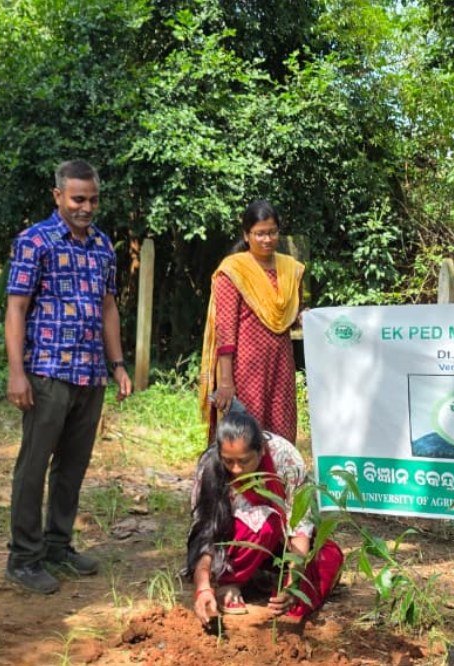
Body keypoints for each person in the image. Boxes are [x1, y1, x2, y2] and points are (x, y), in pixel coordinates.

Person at [4, 159, 133, 595]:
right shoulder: (34, 241)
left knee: (72, 467)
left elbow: (109, 307)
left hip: (89, 373)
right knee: (34, 466)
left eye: (93, 199)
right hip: (47, 373)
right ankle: (24, 556)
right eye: (78, 198)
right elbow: (17, 307)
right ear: (58, 195)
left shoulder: (102, 246)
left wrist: (117, 365)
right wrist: (17, 373)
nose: (87, 207)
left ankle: (58, 545)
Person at [187, 410, 343, 624]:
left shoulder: (286, 459)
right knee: (264, 522)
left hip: (284, 547)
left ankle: (268, 580)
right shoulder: (210, 465)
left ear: (261, 452)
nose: (236, 469)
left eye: (244, 461)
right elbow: (206, 533)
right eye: (228, 462)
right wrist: (203, 587)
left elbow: (300, 527)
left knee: (329, 557)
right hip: (237, 547)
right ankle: (229, 581)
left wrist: (293, 584)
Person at [199, 200, 305, 443]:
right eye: (260, 234)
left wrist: (305, 318)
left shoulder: (291, 270)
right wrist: (226, 382)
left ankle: (277, 481)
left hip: (281, 364)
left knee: (281, 433)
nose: (267, 239)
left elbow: (291, 316)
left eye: (272, 232)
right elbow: (225, 328)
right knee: (246, 435)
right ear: (247, 236)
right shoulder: (234, 270)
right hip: (245, 368)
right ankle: (239, 482)